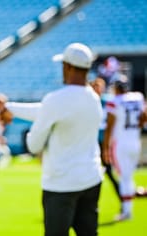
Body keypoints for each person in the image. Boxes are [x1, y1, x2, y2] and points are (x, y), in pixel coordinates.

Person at [26, 43, 104, 236]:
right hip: (91, 178)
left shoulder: (55, 99)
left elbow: (33, 144)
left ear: (67, 67)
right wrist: (11, 108)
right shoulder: (94, 98)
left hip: (61, 184)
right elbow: (49, 110)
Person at [102, 74, 147, 221]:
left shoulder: (115, 102)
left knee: (124, 178)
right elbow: (144, 116)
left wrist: (106, 148)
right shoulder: (137, 97)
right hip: (135, 141)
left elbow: (109, 126)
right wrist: (137, 128)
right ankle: (129, 205)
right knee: (128, 177)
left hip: (120, 144)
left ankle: (127, 211)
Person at [90, 78, 121, 203]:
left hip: (104, 142)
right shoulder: (89, 102)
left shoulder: (108, 102)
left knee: (109, 171)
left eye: (99, 86)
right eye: (95, 86)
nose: (97, 89)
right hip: (91, 142)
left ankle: (122, 198)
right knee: (92, 172)